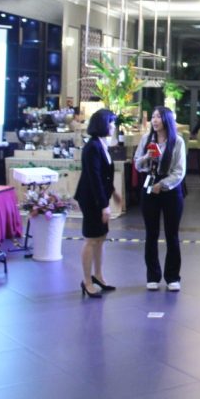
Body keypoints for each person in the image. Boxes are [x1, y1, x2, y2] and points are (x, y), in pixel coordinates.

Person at [134, 106, 187, 291]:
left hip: (171, 190)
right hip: (149, 185)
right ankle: (152, 276)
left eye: (158, 117)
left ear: (167, 120)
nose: (154, 120)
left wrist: (162, 184)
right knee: (151, 234)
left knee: (172, 234)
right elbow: (137, 164)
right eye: (153, 117)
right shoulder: (146, 139)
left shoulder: (177, 141)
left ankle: (172, 277)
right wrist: (146, 156)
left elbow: (179, 171)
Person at [75, 109, 122, 298]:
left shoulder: (102, 144)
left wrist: (114, 193)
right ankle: (87, 281)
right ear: (103, 124)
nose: (114, 126)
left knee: (100, 238)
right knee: (91, 239)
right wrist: (104, 205)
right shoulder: (92, 147)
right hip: (91, 198)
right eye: (111, 122)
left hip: (99, 196)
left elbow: (105, 175)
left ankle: (98, 275)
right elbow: (94, 177)